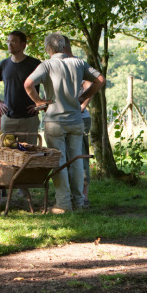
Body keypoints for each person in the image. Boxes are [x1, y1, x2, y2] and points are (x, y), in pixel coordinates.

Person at [24, 32, 105, 213]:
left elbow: (28, 84)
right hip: (76, 120)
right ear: (64, 46)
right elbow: (100, 80)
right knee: (76, 162)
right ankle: (78, 202)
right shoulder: (78, 63)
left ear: (48, 48)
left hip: (55, 120)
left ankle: (63, 203)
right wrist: (84, 96)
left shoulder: (46, 65)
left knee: (59, 162)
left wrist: (38, 102)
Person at [0, 31, 42, 141]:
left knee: (29, 150)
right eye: (8, 41)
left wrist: (41, 103)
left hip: (29, 119)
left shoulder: (35, 64)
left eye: (13, 41)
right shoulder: (4, 64)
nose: (9, 44)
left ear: (23, 45)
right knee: (6, 150)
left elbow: (50, 83)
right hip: (8, 118)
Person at [64, 36, 93, 209]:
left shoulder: (77, 64)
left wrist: (82, 105)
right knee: (66, 158)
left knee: (80, 157)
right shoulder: (58, 64)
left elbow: (91, 84)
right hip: (63, 118)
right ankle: (70, 196)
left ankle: (83, 196)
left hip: (79, 118)